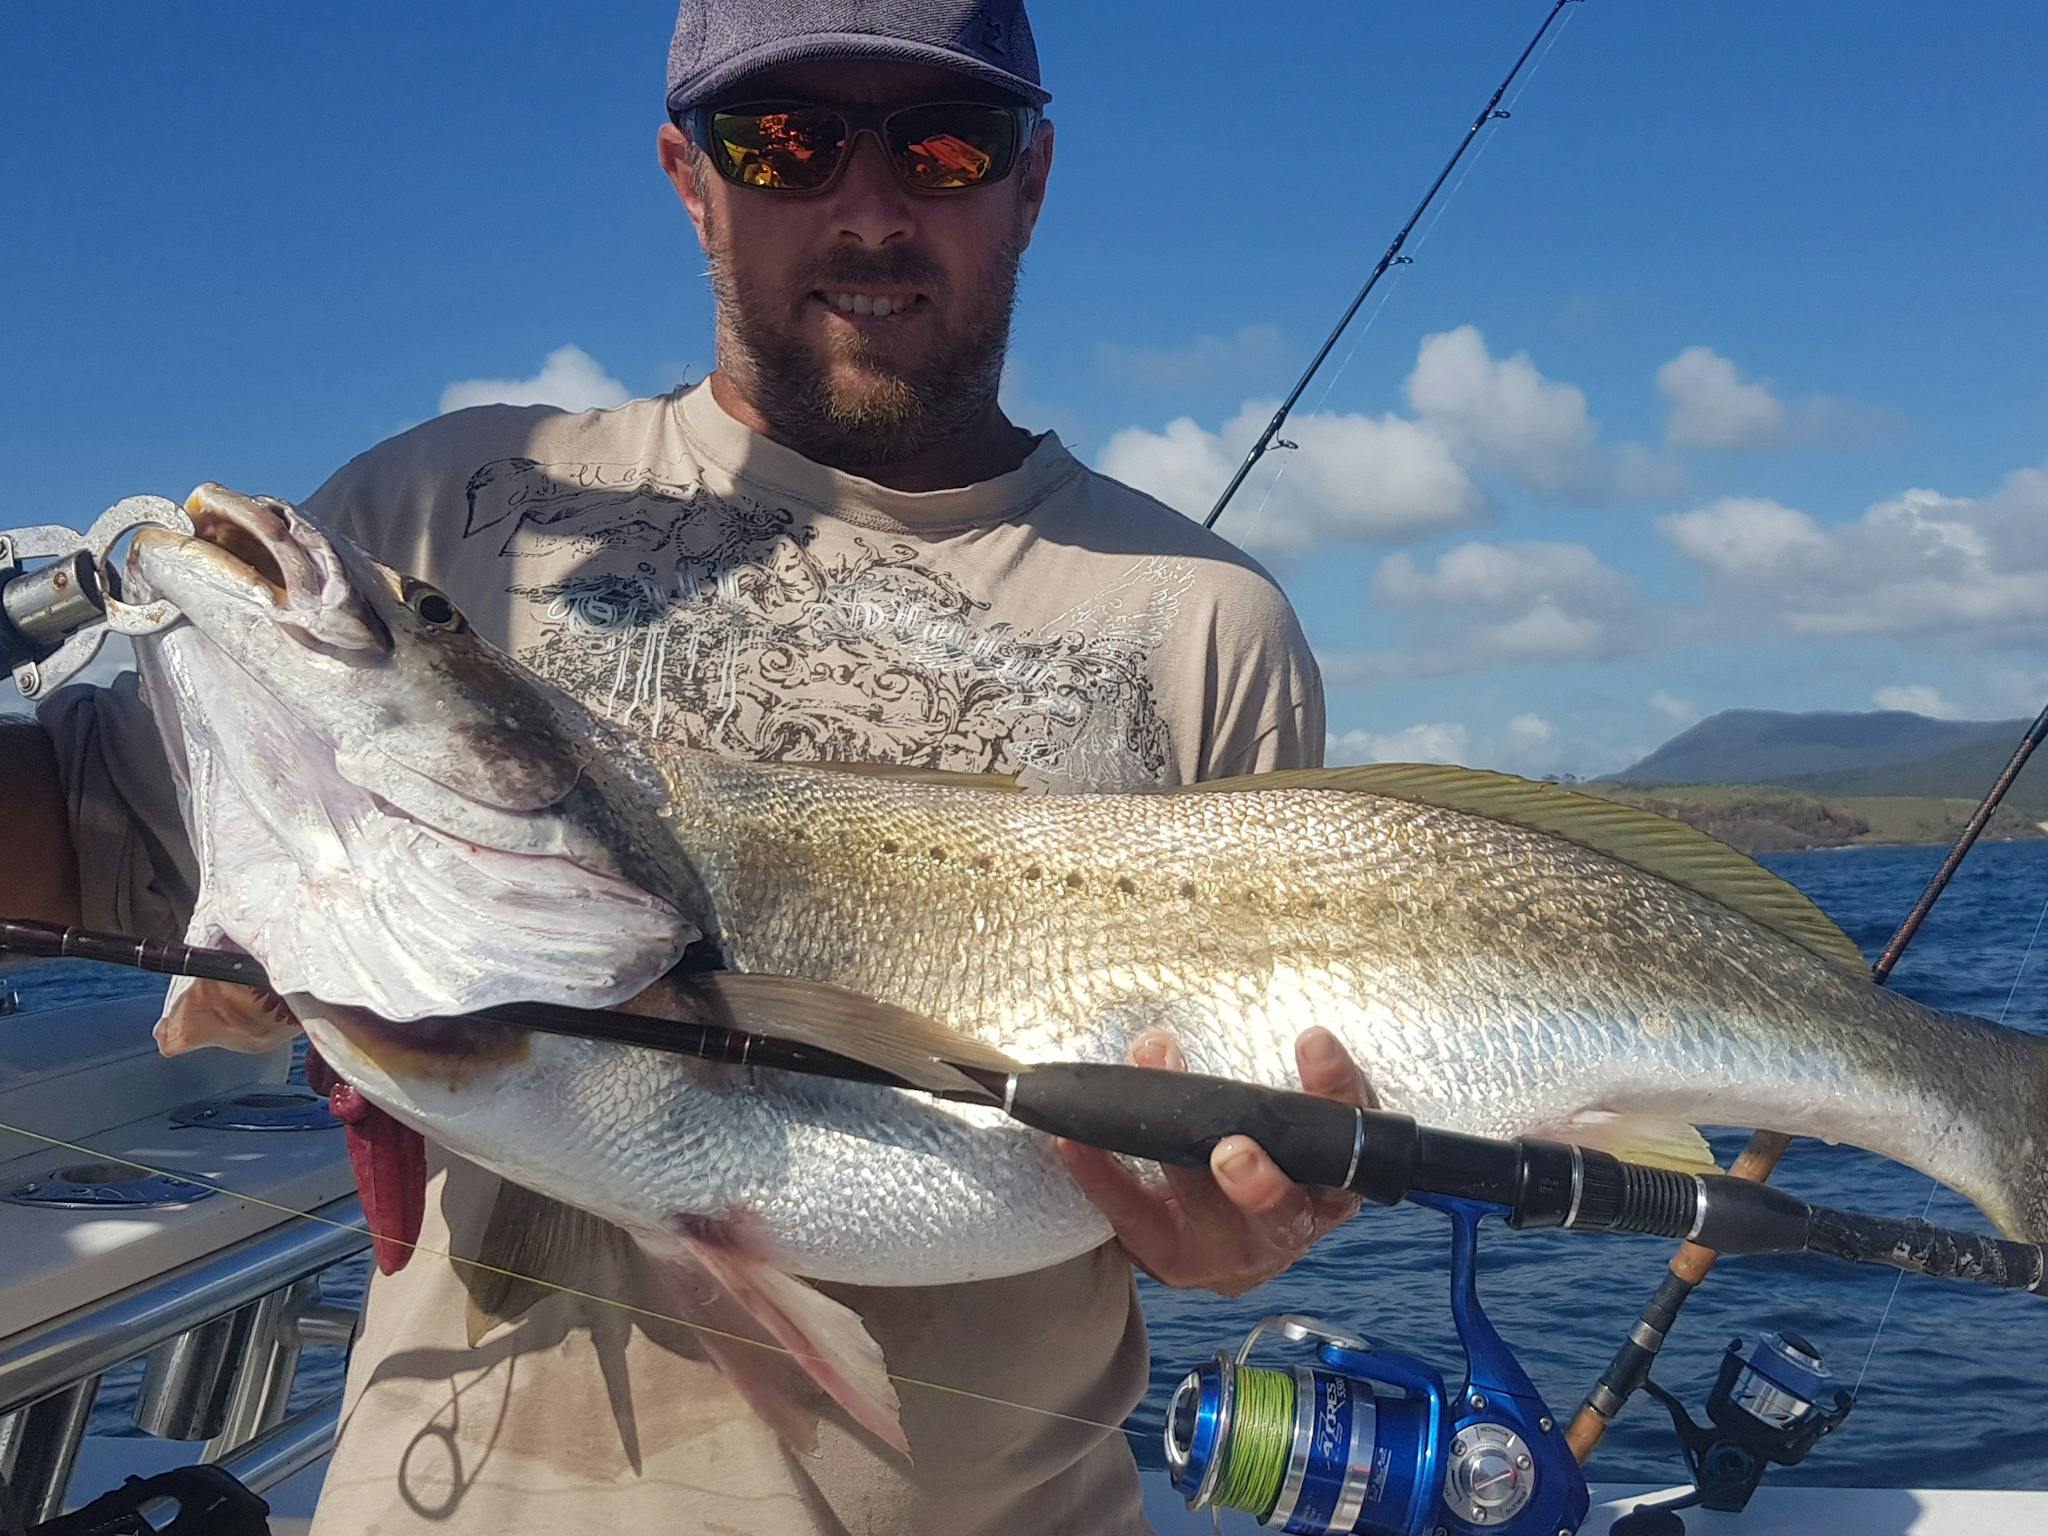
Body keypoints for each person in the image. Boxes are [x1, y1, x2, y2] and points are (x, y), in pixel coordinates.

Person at [1, 2, 1372, 1530]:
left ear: (1030, 181)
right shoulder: (441, 503)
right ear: (686, 173)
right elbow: (85, 835)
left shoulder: (1204, 623)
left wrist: (1238, 1231)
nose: (867, 208)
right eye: (782, 142)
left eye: (942, 143)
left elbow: (1225, 1136)